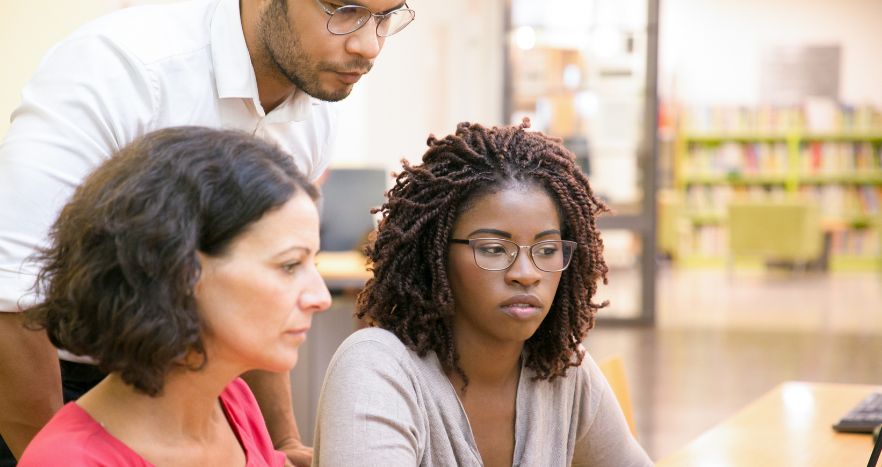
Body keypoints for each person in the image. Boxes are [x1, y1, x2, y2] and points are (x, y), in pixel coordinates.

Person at [0, 0, 414, 464]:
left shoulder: (316, 103)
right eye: (344, 9)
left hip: (199, 384)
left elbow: (261, 302)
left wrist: (277, 448)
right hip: (47, 385)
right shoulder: (122, 68)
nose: (368, 45)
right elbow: (9, 297)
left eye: (386, 16)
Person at [312, 120, 653, 466]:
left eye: (547, 250)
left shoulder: (561, 370)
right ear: (437, 253)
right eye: (493, 249)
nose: (526, 274)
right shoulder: (377, 369)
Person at [16, 127, 330, 466]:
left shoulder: (232, 402)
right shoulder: (69, 461)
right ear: (184, 272)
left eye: (312, 263)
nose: (320, 297)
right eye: (289, 265)